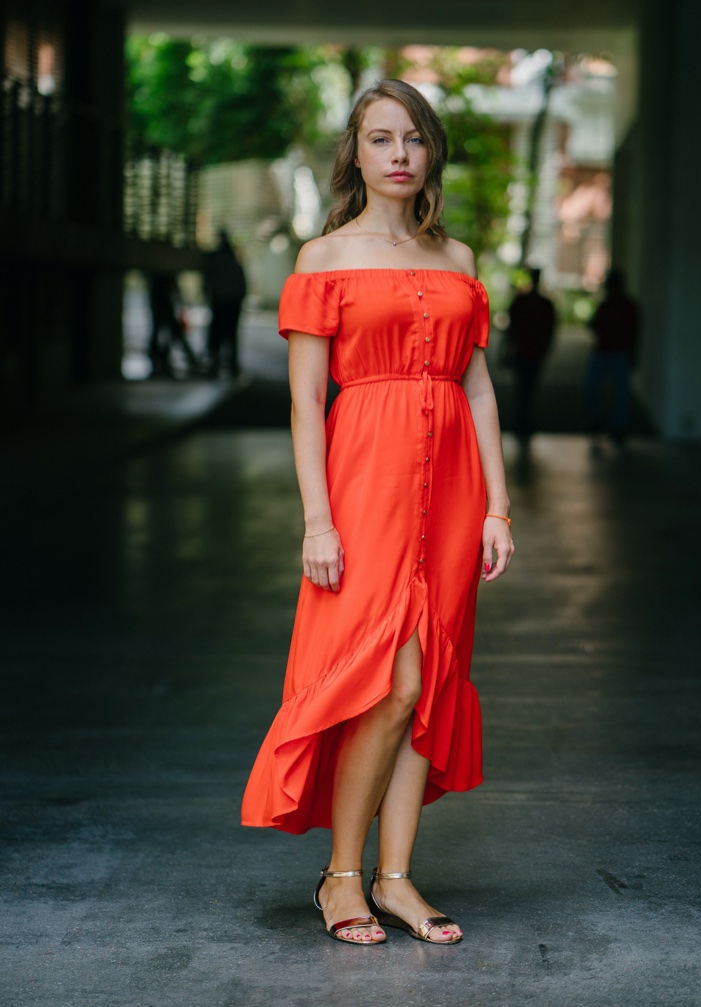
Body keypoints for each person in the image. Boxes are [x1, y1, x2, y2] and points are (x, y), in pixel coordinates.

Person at [241, 79, 514, 947]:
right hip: (364, 483)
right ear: (354, 155)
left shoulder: (460, 258)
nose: (399, 154)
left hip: (454, 492)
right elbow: (303, 401)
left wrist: (499, 507)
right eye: (380, 139)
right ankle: (341, 875)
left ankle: (397, 878)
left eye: (414, 139)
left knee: (430, 682)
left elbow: (477, 388)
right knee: (386, 682)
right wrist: (317, 521)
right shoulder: (322, 260)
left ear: (430, 152)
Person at [586, 269, 641, 447]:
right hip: (602, 351)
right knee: (590, 386)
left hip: (620, 353)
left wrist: (633, 353)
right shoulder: (606, 305)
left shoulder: (629, 306)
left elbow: (635, 332)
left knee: (621, 393)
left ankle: (617, 427)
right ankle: (598, 416)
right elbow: (594, 325)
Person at [505, 267, 556, 456]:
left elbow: (512, 329)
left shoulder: (526, 302)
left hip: (529, 350)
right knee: (527, 386)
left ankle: (522, 420)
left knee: (524, 386)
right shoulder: (540, 303)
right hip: (529, 350)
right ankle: (524, 420)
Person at [202, 232, 247, 377]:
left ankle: (214, 365)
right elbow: (242, 286)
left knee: (216, 335)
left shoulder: (214, 263)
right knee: (231, 336)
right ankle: (231, 366)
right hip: (231, 304)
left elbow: (207, 284)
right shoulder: (234, 264)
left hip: (219, 303)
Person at [147, 273, 198, 378]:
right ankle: (189, 359)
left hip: (161, 309)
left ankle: (159, 359)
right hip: (163, 309)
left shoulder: (158, 281)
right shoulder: (163, 280)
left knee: (164, 333)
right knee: (172, 333)